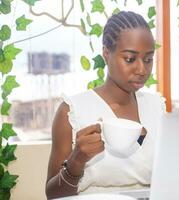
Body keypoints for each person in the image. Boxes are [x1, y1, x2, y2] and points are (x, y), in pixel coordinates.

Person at [45, 11, 166, 199]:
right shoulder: (72, 111)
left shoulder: (156, 107)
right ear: (106, 53)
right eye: (130, 59)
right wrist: (76, 161)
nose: (142, 69)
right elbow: (52, 195)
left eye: (148, 59)